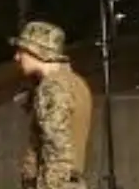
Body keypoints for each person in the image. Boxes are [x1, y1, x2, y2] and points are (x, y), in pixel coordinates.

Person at [11, 20, 92, 189]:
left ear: (36, 51)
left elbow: (57, 149)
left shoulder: (52, 87)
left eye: (22, 51)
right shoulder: (74, 82)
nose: (17, 57)